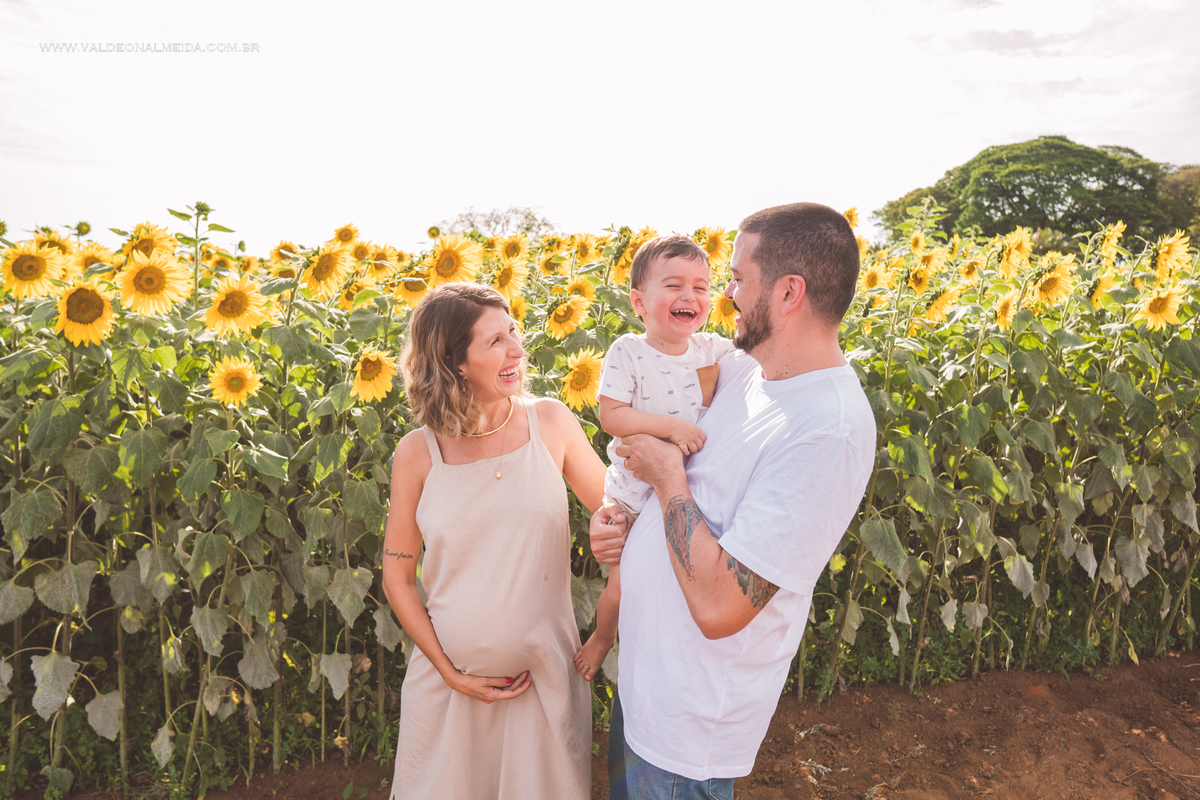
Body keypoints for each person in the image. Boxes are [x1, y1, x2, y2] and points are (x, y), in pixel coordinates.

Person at [589, 203, 877, 798]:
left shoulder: (827, 428)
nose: (728, 295)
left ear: (789, 292)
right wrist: (620, 525)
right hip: (645, 688)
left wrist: (667, 478)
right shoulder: (746, 371)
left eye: (740, 279)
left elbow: (724, 608)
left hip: (687, 734)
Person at [381, 282, 606, 799]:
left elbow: (617, 518)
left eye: (514, 333)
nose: (518, 351)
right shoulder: (417, 453)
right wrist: (449, 671)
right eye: (496, 342)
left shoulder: (550, 422)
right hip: (446, 695)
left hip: (543, 686)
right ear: (455, 361)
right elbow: (397, 575)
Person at [574, 234, 733, 681]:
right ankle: (603, 639)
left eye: (701, 287)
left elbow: (752, 355)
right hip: (631, 496)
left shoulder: (710, 349)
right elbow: (611, 415)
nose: (690, 296)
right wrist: (669, 429)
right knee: (622, 589)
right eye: (674, 286)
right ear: (638, 301)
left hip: (680, 495)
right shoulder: (629, 351)